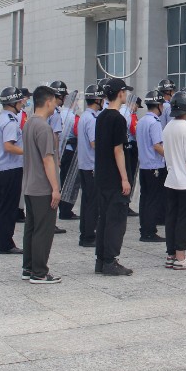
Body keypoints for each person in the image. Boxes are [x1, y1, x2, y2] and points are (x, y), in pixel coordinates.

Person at [21, 85, 63, 284]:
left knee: (31, 228)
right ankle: (39, 272)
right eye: (54, 101)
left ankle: (28, 267)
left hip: (29, 185)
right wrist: (55, 188)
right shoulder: (44, 128)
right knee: (43, 230)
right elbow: (48, 160)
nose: (55, 105)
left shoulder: (29, 123)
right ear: (48, 102)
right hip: (42, 187)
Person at [94, 77, 134, 276]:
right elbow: (118, 150)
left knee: (103, 218)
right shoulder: (118, 119)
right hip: (114, 177)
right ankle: (111, 260)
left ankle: (101, 260)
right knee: (116, 220)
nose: (126, 95)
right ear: (120, 93)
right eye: (124, 92)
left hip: (102, 176)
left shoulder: (101, 117)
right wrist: (124, 179)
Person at [162, 88, 186, 270]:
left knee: (172, 218)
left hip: (171, 181)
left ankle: (171, 255)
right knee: (185, 220)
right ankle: (181, 257)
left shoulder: (168, 127)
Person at [0, 87, 28, 255]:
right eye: (20, 102)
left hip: (2, 169)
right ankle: (6, 244)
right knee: (8, 208)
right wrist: (28, 151)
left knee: (3, 207)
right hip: (10, 169)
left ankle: (3, 242)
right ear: (13, 103)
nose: (22, 104)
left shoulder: (1, 118)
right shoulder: (11, 121)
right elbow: (9, 146)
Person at [137, 90, 167, 242]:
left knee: (145, 199)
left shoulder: (142, 121)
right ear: (159, 106)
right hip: (154, 166)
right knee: (153, 200)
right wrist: (171, 157)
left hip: (144, 166)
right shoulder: (155, 122)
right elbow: (157, 145)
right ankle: (149, 231)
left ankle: (145, 229)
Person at [76, 83, 101, 248]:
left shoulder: (85, 116)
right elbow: (94, 143)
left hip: (84, 165)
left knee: (86, 201)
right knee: (92, 203)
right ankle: (89, 235)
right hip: (92, 165)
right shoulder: (92, 119)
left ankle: (85, 233)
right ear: (97, 100)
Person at [49, 80, 78, 221]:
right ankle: (62, 212)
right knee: (63, 182)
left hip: (58, 152)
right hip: (61, 152)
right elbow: (55, 137)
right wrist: (57, 157)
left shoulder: (56, 112)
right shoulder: (57, 113)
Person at [120, 91, 141, 218]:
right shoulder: (129, 115)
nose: (137, 109)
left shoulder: (122, 111)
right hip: (130, 147)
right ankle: (125, 204)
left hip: (124, 146)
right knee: (130, 175)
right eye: (137, 106)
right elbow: (135, 131)